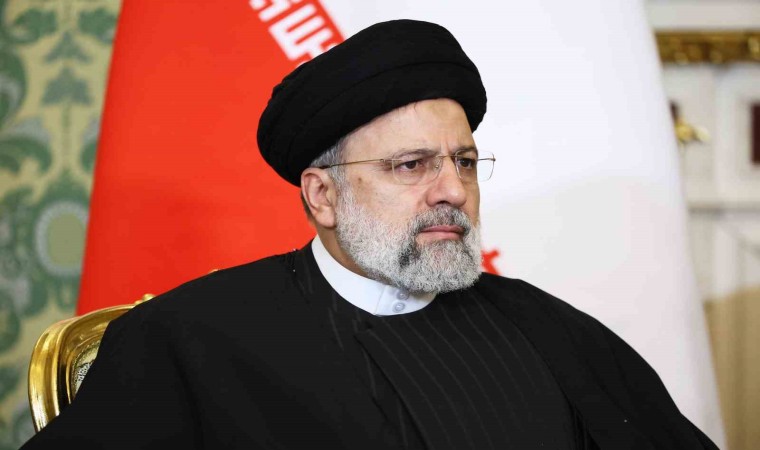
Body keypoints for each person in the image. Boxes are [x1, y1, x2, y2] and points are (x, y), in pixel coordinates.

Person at [21, 19, 718, 450]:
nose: (452, 190)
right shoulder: (191, 339)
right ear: (323, 196)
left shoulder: (542, 327)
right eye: (411, 165)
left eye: (463, 162)